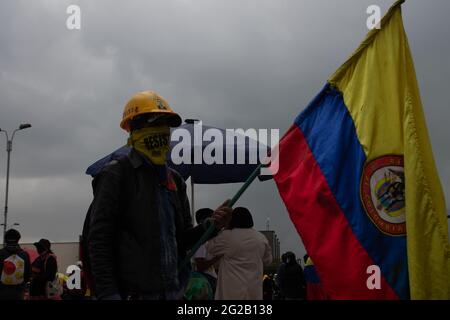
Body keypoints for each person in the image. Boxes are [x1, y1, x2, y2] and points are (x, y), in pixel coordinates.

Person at [86, 91, 232, 300]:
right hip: (132, 294)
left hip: (173, 292)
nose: (163, 131)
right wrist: (109, 293)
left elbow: (182, 239)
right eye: (155, 123)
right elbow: (99, 240)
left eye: (167, 125)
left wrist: (212, 225)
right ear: (134, 128)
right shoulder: (116, 174)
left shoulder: (175, 180)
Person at [206, 207, 272, 300]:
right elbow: (267, 261)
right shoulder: (261, 238)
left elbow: (210, 247)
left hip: (231, 291)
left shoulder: (227, 236)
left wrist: (221, 228)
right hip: (253, 290)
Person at [193, 208, 222, 298]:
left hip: (209, 278)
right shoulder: (201, 240)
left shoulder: (206, 239)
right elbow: (200, 266)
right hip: (206, 280)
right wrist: (217, 257)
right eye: (212, 218)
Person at [0, 229, 31, 300]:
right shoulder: (24, 255)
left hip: (2, 290)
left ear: (6, 240)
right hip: (18, 291)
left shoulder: (1, 253)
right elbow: (28, 274)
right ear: (18, 239)